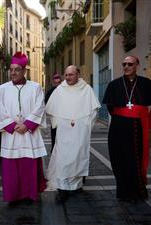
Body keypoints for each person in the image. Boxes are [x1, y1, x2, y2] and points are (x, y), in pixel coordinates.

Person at [102, 55, 151, 201]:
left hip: (138, 128)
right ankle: (123, 192)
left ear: (137, 65)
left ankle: (138, 191)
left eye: (130, 64)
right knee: (120, 158)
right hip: (119, 128)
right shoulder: (114, 84)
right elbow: (110, 107)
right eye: (124, 64)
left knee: (136, 158)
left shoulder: (145, 83)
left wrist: (138, 114)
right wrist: (125, 116)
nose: (126, 67)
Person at [0, 52, 47, 205]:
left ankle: (29, 194)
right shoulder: (2, 89)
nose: (13, 72)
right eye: (11, 69)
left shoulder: (36, 87)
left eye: (17, 69)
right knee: (11, 169)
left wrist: (27, 125)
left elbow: (39, 108)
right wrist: (12, 126)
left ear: (24, 70)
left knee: (28, 166)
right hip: (11, 135)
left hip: (29, 134)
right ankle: (13, 196)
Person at [46, 65, 100, 203]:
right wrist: (59, 122)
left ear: (78, 74)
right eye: (66, 75)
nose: (68, 77)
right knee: (63, 158)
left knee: (78, 156)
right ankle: (62, 189)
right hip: (64, 130)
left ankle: (76, 186)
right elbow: (51, 110)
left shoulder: (86, 89)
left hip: (80, 131)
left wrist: (86, 124)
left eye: (71, 74)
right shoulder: (60, 90)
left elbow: (93, 111)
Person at [44, 73, 63, 151]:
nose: (57, 85)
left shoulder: (65, 90)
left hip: (64, 117)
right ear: (53, 83)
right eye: (56, 83)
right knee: (54, 134)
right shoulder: (50, 92)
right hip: (54, 116)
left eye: (59, 83)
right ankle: (54, 150)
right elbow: (46, 103)